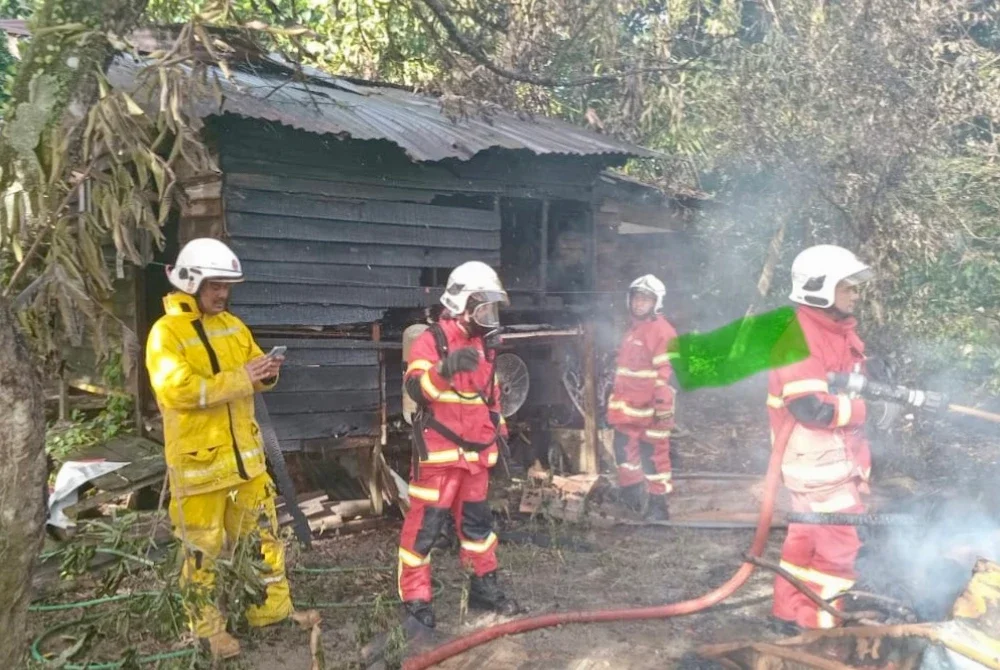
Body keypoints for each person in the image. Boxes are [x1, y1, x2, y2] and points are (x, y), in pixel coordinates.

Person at [145, 238, 318, 659]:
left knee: (263, 540)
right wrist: (243, 377)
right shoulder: (165, 334)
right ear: (190, 281)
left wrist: (267, 372)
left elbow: (254, 371)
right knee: (201, 554)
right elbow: (178, 390)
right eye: (215, 285)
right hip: (199, 468)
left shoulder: (234, 327)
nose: (222, 294)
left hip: (247, 465)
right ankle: (207, 631)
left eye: (227, 286)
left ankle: (270, 612)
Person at [767, 244, 902, 631]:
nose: (855, 294)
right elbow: (811, 407)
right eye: (847, 287)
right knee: (838, 553)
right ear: (819, 288)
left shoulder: (829, 329)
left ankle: (787, 616)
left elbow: (840, 373)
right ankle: (820, 632)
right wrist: (872, 411)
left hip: (818, 462)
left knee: (804, 543)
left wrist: (872, 372)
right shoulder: (798, 335)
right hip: (820, 464)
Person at [398, 260, 521, 641]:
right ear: (462, 304)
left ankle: (484, 587)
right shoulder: (432, 340)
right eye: (484, 307)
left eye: (492, 308)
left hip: (476, 459)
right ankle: (416, 602)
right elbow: (418, 390)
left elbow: (491, 395)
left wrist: (497, 431)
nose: (490, 316)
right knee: (424, 532)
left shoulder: (486, 346)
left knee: (478, 529)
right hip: (439, 457)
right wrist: (446, 367)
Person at [606, 274, 678, 521]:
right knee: (625, 454)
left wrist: (662, 408)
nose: (639, 304)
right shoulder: (633, 330)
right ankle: (632, 498)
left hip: (652, 413)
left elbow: (665, 374)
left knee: (654, 457)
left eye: (645, 300)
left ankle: (659, 506)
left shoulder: (661, 332)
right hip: (627, 412)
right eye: (636, 298)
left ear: (656, 303)